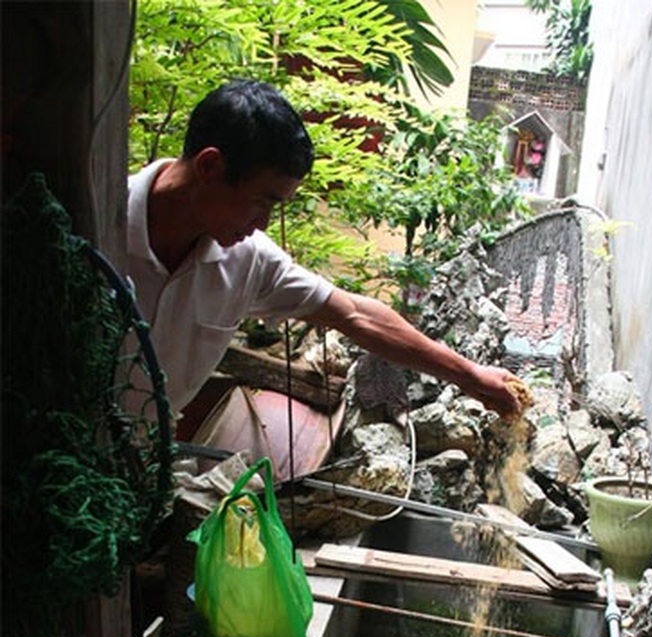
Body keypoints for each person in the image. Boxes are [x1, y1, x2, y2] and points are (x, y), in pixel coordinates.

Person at [127, 78, 524, 423]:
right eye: (261, 201)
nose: (263, 222)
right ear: (210, 167)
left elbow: (356, 315)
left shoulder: (248, 259)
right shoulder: (92, 223)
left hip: (138, 470)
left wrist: (470, 376)